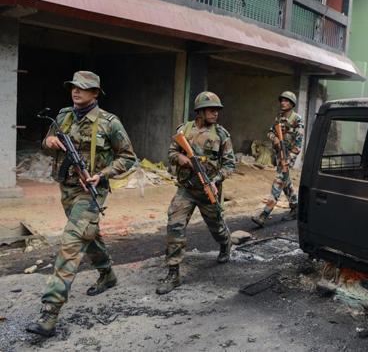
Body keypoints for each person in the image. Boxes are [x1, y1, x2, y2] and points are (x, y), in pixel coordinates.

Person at [26, 71, 137, 337]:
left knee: (71, 243)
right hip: (67, 188)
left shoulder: (110, 123)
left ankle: (49, 312)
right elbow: (46, 144)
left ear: (95, 93)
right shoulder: (63, 115)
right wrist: (48, 141)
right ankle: (107, 274)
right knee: (89, 234)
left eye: (83, 88)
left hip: (92, 190)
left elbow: (128, 158)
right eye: (74, 87)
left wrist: (104, 174)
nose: (76, 92)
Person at [156, 91, 236, 295]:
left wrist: (215, 180)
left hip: (208, 190)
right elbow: (172, 152)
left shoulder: (221, 135)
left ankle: (226, 243)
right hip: (186, 189)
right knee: (175, 225)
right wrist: (180, 159)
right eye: (211, 110)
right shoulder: (184, 130)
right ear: (199, 111)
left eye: (217, 110)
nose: (216, 113)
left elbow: (230, 165)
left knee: (216, 227)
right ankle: (173, 273)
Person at [251, 91, 304, 227]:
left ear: (292, 104)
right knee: (285, 181)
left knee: (279, 181)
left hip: (288, 156)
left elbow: (298, 143)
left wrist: (289, 159)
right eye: (282, 100)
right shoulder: (279, 118)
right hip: (279, 154)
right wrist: (274, 138)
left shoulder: (297, 119)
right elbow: (270, 132)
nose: (283, 103)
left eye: (286, 101)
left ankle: (264, 214)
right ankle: (295, 206)